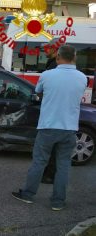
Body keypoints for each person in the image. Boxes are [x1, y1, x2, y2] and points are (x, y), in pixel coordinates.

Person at [12, 45, 86, 211]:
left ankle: (28, 195)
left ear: (58, 57)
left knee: (39, 162)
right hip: (69, 129)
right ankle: (58, 202)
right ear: (74, 58)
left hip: (48, 126)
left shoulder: (47, 75)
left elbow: (38, 92)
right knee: (63, 166)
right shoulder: (82, 78)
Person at [41, 37, 64, 184]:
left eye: (48, 48)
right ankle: (51, 174)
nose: (46, 51)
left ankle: (49, 175)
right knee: (55, 148)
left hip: (53, 113)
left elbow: (43, 90)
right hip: (60, 113)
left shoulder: (53, 67)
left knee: (50, 147)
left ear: (56, 51)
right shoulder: (53, 65)